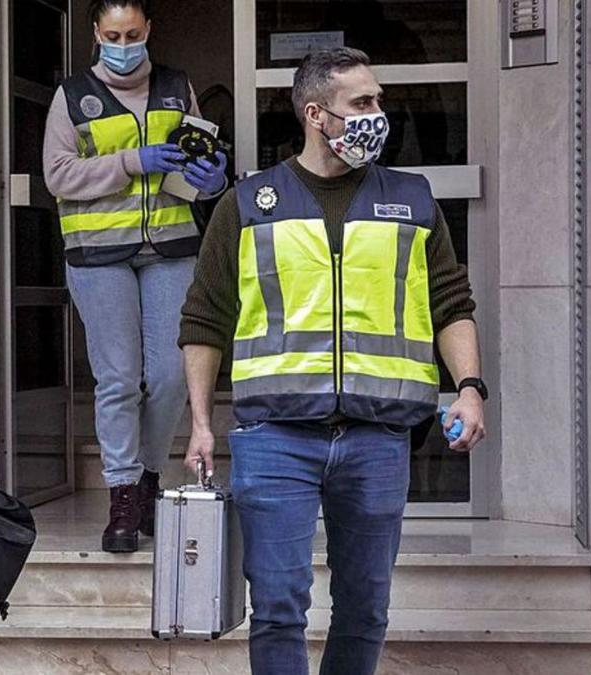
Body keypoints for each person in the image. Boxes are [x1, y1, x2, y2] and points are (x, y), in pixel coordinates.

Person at [179, 48, 487, 675]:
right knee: (277, 606)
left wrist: (471, 387)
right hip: (274, 438)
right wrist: (202, 423)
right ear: (316, 114)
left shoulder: (412, 199)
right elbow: (205, 318)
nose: (380, 114)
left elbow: (451, 302)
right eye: (364, 104)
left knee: (366, 608)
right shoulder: (247, 204)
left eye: (379, 100)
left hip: (378, 437)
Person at [43, 0, 228, 553]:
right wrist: (132, 162)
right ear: (96, 36)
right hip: (99, 254)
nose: (124, 44)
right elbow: (58, 174)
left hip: (171, 247)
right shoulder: (73, 96)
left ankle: (149, 475)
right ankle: (123, 494)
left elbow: (195, 164)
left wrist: (212, 177)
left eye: (133, 33)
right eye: (112, 35)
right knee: (119, 380)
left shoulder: (176, 87)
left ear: (149, 30)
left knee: (173, 376)